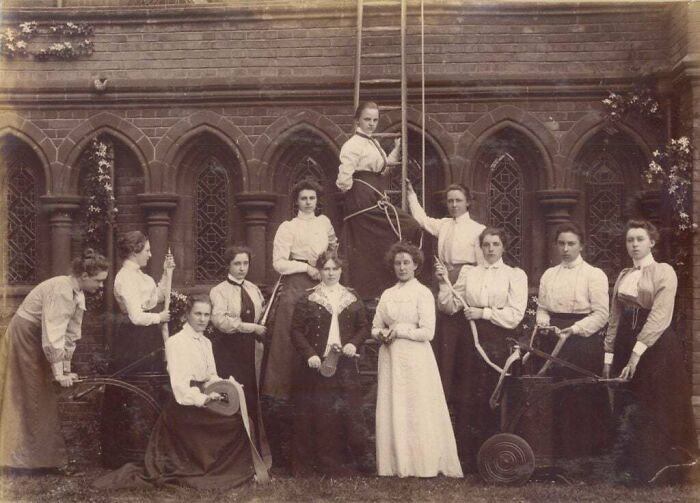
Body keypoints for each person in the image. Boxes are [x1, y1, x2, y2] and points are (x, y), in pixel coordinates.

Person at [93, 295, 258, 490]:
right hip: (184, 407)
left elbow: (211, 375)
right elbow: (180, 387)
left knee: (239, 420)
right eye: (198, 314)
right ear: (187, 315)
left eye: (206, 315)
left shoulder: (206, 342)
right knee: (231, 424)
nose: (202, 319)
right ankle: (213, 470)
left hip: (203, 398)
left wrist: (227, 385)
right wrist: (203, 399)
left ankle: (226, 469)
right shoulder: (176, 342)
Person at [604, 220, 697, 483]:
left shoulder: (664, 272)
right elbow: (615, 316)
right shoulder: (624, 274)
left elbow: (659, 316)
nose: (634, 244)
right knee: (629, 401)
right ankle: (630, 468)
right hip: (626, 341)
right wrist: (609, 354)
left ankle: (657, 468)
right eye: (630, 240)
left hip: (656, 346)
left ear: (652, 242)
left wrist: (637, 354)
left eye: (640, 239)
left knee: (654, 401)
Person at [0, 249, 109, 469]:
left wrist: (65, 369)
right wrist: (58, 374)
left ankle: (37, 459)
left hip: (38, 337)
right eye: (98, 280)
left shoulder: (77, 293)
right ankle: (19, 460)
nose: (101, 285)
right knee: (30, 393)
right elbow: (53, 336)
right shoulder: (62, 291)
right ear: (84, 276)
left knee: (39, 393)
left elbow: (70, 334)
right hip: (26, 337)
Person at [261, 178, 337, 472]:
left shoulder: (325, 223)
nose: (308, 202)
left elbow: (332, 253)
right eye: (303, 198)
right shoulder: (288, 227)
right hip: (295, 286)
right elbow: (279, 263)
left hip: (321, 284)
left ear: (318, 200)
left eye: (312, 198)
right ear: (297, 201)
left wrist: (323, 268)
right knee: (290, 345)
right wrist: (306, 267)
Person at [438, 227, 527, 473]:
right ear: (480, 247)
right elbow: (449, 307)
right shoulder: (470, 273)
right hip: (471, 340)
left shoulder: (514, 275)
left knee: (494, 394)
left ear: (503, 247)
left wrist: (483, 313)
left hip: (498, 341)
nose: (490, 249)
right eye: (486, 244)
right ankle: (468, 458)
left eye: (495, 244)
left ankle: (498, 457)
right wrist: (444, 282)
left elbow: (515, 315)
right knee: (467, 395)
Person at [372, 242, 462, 478]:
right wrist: (381, 334)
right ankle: (396, 464)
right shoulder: (388, 294)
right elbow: (375, 326)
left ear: (415, 266)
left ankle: (423, 463)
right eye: (397, 263)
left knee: (416, 406)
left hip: (416, 357)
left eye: (406, 263)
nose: (402, 267)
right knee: (395, 404)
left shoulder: (422, 293)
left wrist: (399, 332)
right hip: (390, 356)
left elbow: (427, 332)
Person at [289, 249, 372, 476]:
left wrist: (353, 343)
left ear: (341, 270)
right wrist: (310, 354)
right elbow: (296, 331)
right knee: (317, 413)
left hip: (344, 365)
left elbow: (364, 327)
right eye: (326, 269)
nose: (331, 273)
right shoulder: (308, 298)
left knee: (347, 412)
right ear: (319, 271)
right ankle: (315, 465)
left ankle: (344, 465)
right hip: (316, 365)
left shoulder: (351, 297)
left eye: (335, 268)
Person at [535, 222, 610, 459]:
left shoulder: (594, 275)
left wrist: (575, 329)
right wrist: (544, 323)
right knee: (553, 394)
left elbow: (602, 314)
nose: (565, 249)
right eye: (561, 244)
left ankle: (583, 455)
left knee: (579, 396)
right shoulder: (549, 274)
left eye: (571, 244)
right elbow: (542, 308)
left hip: (582, 342)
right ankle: (554, 453)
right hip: (553, 340)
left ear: (581, 246)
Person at [407, 180, 485, 402]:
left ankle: (462, 399)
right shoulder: (443, 225)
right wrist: (411, 194)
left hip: (466, 282)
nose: (454, 205)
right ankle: (443, 397)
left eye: (458, 200)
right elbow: (422, 219)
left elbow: (481, 265)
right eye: (450, 201)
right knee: (444, 339)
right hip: (443, 280)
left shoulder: (478, 230)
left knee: (464, 339)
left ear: (468, 202)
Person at [101, 230, 174, 467]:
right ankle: (125, 453)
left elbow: (155, 298)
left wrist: (167, 273)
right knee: (134, 391)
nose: (150, 255)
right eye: (147, 250)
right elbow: (135, 316)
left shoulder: (142, 277)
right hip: (132, 341)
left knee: (150, 390)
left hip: (148, 338)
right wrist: (159, 317)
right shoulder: (125, 278)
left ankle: (148, 449)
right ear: (135, 251)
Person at [337, 101, 422, 300]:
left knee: (387, 239)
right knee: (406, 227)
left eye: (375, 120)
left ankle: (383, 289)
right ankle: (368, 292)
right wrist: (358, 192)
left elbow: (384, 167)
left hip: (374, 195)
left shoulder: (371, 142)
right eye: (367, 119)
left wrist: (397, 149)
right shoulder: (352, 145)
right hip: (362, 200)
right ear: (357, 120)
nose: (371, 124)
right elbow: (343, 181)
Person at [209, 245, 266, 448]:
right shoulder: (219, 291)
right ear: (228, 265)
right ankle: (230, 449)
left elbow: (262, 313)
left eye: (245, 263)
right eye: (237, 264)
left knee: (251, 394)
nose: (242, 268)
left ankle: (252, 448)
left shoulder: (253, 288)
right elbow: (220, 321)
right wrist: (251, 327)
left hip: (251, 349)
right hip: (228, 350)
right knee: (232, 395)